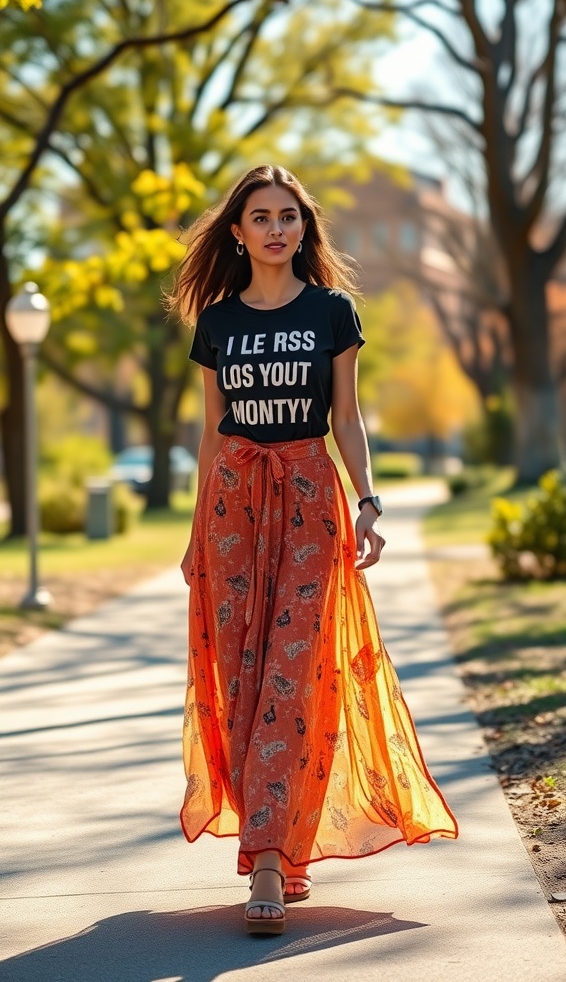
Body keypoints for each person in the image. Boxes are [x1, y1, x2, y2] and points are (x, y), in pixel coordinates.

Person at [167, 164, 458, 936]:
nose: (274, 227)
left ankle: (266, 859)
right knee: (242, 679)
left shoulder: (333, 311)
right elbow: (210, 431)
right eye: (259, 216)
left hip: (306, 499)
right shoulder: (219, 323)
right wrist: (199, 529)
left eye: (287, 215)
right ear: (238, 231)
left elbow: (348, 419)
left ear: (304, 227)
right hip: (233, 501)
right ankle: (284, 848)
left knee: (295, 676)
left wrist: (368, 502)